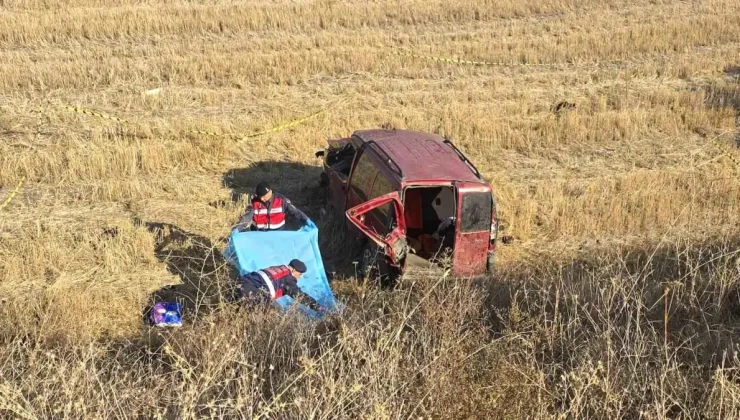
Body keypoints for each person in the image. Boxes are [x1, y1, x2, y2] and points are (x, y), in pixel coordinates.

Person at [238, 259, 323, 311]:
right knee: (267, 315)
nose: (300, 277)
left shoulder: (277, 268)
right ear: (293, 270)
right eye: (300, 274)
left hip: (240, 281)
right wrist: (316, 306)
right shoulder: (288, 278)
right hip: (251, 290)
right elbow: (299, 296)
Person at [234, 182, 310, 232]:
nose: (261, 199)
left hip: (277, 234)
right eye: (260, 196)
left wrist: (306, 220)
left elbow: (295, 212)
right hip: (259, 235)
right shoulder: (255, 203)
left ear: (270, 192)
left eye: (263, 196)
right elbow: (246, 218)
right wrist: (236, 229)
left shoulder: (281, 201)